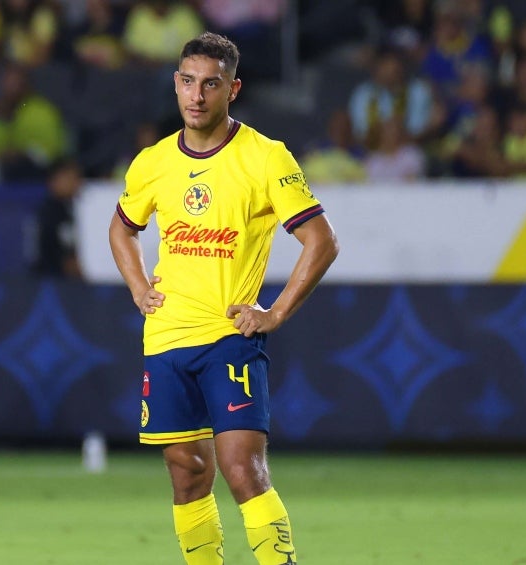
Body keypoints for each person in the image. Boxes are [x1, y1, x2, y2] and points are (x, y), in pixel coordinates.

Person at [109, 32, 338, 565]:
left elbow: (321, 240)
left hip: (228, 339)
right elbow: (122, 228)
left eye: (210, 84)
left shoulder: (265, 158)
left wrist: (275, 312)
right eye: (188, 82)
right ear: (175, 84)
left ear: (232, 89)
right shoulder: (153, 162)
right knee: (187, 473)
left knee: (242, 470)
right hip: (166, 341)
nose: (197, 95)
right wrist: (140, 287)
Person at [33, 158, 83, 278]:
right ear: (53, 182)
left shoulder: (82, 207)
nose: (75, 182)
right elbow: (45, 250)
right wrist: (65, 263)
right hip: (51, 277)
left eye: (76, 177)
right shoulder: (47, 212)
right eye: (68, 178)